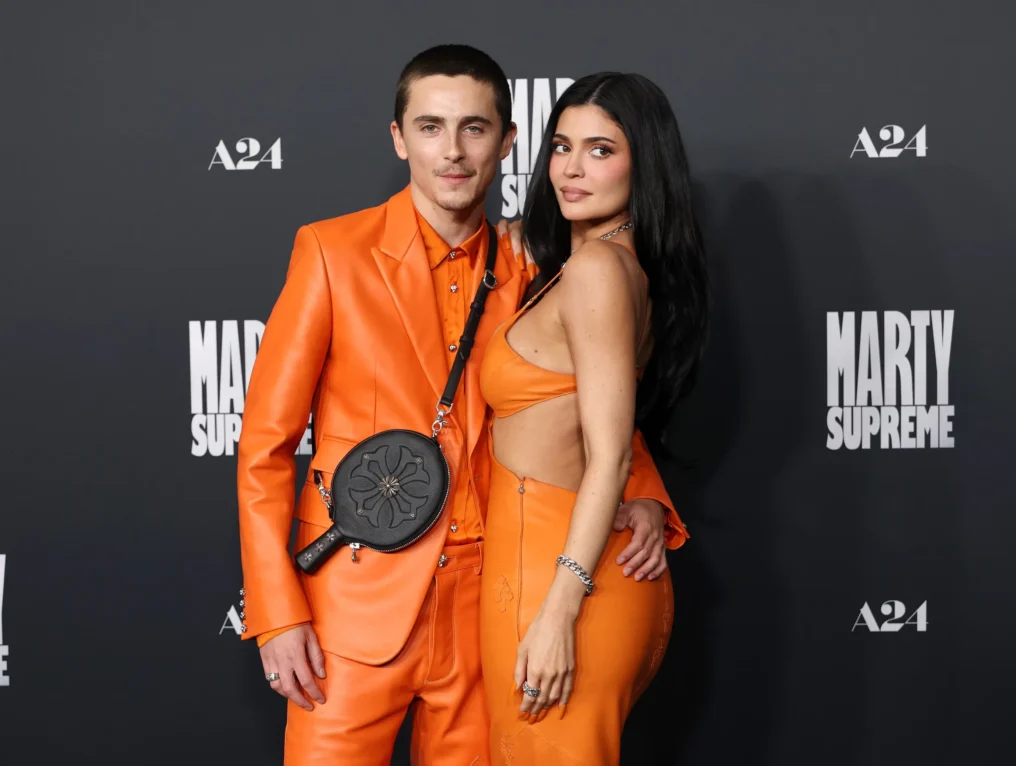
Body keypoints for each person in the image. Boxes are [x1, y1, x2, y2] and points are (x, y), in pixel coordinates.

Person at [235, 46, 689, 766]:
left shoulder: (537, 264)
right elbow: (264, 446)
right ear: (399, 138)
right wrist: (276, 613)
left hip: (491, 610)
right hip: (352, 610)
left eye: (474, 129)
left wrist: (644, 498)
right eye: (430, 127)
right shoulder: (331, 252)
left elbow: (581, 401)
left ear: (507, 143)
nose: (452, 151)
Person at [478, 72, 710, 764]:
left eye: (601, 150)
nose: (572, 169)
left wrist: (560, 610)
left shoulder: (598, 271)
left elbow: (608, 453)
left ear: (645, 165)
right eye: (561, 146)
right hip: (559, 556)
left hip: (560, 575)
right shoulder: (592, 267)